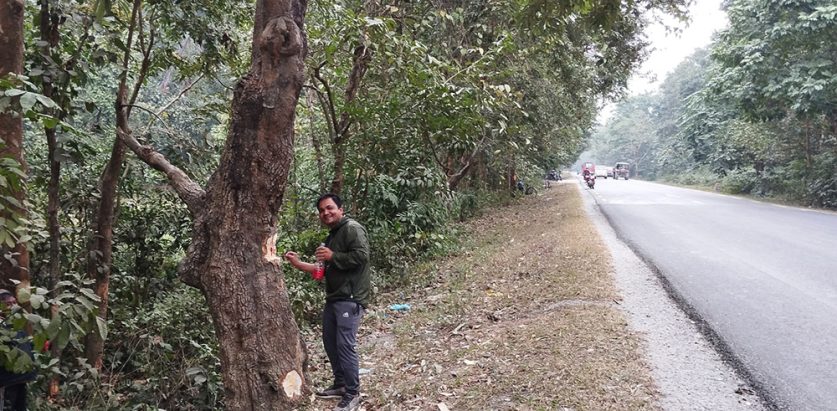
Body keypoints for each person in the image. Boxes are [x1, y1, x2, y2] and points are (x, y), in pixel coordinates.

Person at [283, 194, 370, 411]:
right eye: (322, 210)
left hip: (349, 298)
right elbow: (321, 271)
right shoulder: (332, 237)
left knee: (345, 346)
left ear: (341, 209)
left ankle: (352, 393)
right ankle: (341, 384)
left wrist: (332, 256)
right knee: (331, 344)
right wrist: (297, 263)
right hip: (334, 299)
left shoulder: (351, 228)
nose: (326, 213)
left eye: (330, 208)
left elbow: (362, 256)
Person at [0, 289, 36, 411]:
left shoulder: (16, 324)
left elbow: (23, 345)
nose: (14, 306)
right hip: (6, 380)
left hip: (20, 378)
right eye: (9, 304)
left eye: (14, 303)